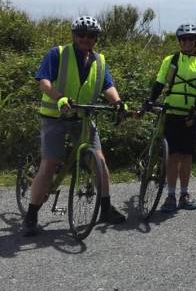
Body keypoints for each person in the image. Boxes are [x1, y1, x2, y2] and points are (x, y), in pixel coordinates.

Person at [26, 16, 127, 236]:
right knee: (50, 163)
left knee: (98, 161)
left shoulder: (99, 61)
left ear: (96, 38)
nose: (86, 39)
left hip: (82, 117)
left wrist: (118, 102)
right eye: (81, 34)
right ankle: (31, 214)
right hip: (55, 116)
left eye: (91, 35)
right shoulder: (58, 54)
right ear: (74, 35)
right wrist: (60, 98)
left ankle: (106, 208)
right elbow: (44, 81)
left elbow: (107, 86)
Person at [143, 23, 196, 212]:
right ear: (179, 42)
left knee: (187, 156)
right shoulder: (170, 60)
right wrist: (150, 101)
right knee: (173, 156)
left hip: (191, 115)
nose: (187, 42)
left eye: (190, 39)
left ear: (195, 41)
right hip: (172, 113)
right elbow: (159, 84)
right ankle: (171, 195)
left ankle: (184, 193)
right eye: (183, 39)